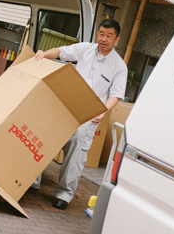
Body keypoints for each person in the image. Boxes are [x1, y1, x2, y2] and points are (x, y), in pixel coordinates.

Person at [31, 18, 128, 210]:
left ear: (116, 39)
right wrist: (44, 55)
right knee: (46, 135)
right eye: (101, 34)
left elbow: (115, 95)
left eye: (109, 36)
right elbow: (61, 51)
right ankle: (32, 181)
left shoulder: (119, 66)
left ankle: (64, 194)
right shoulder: (85, 49)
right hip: (67, 104)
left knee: (78, 144)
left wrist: (103, 112)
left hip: (91, 113)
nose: (104, 39)